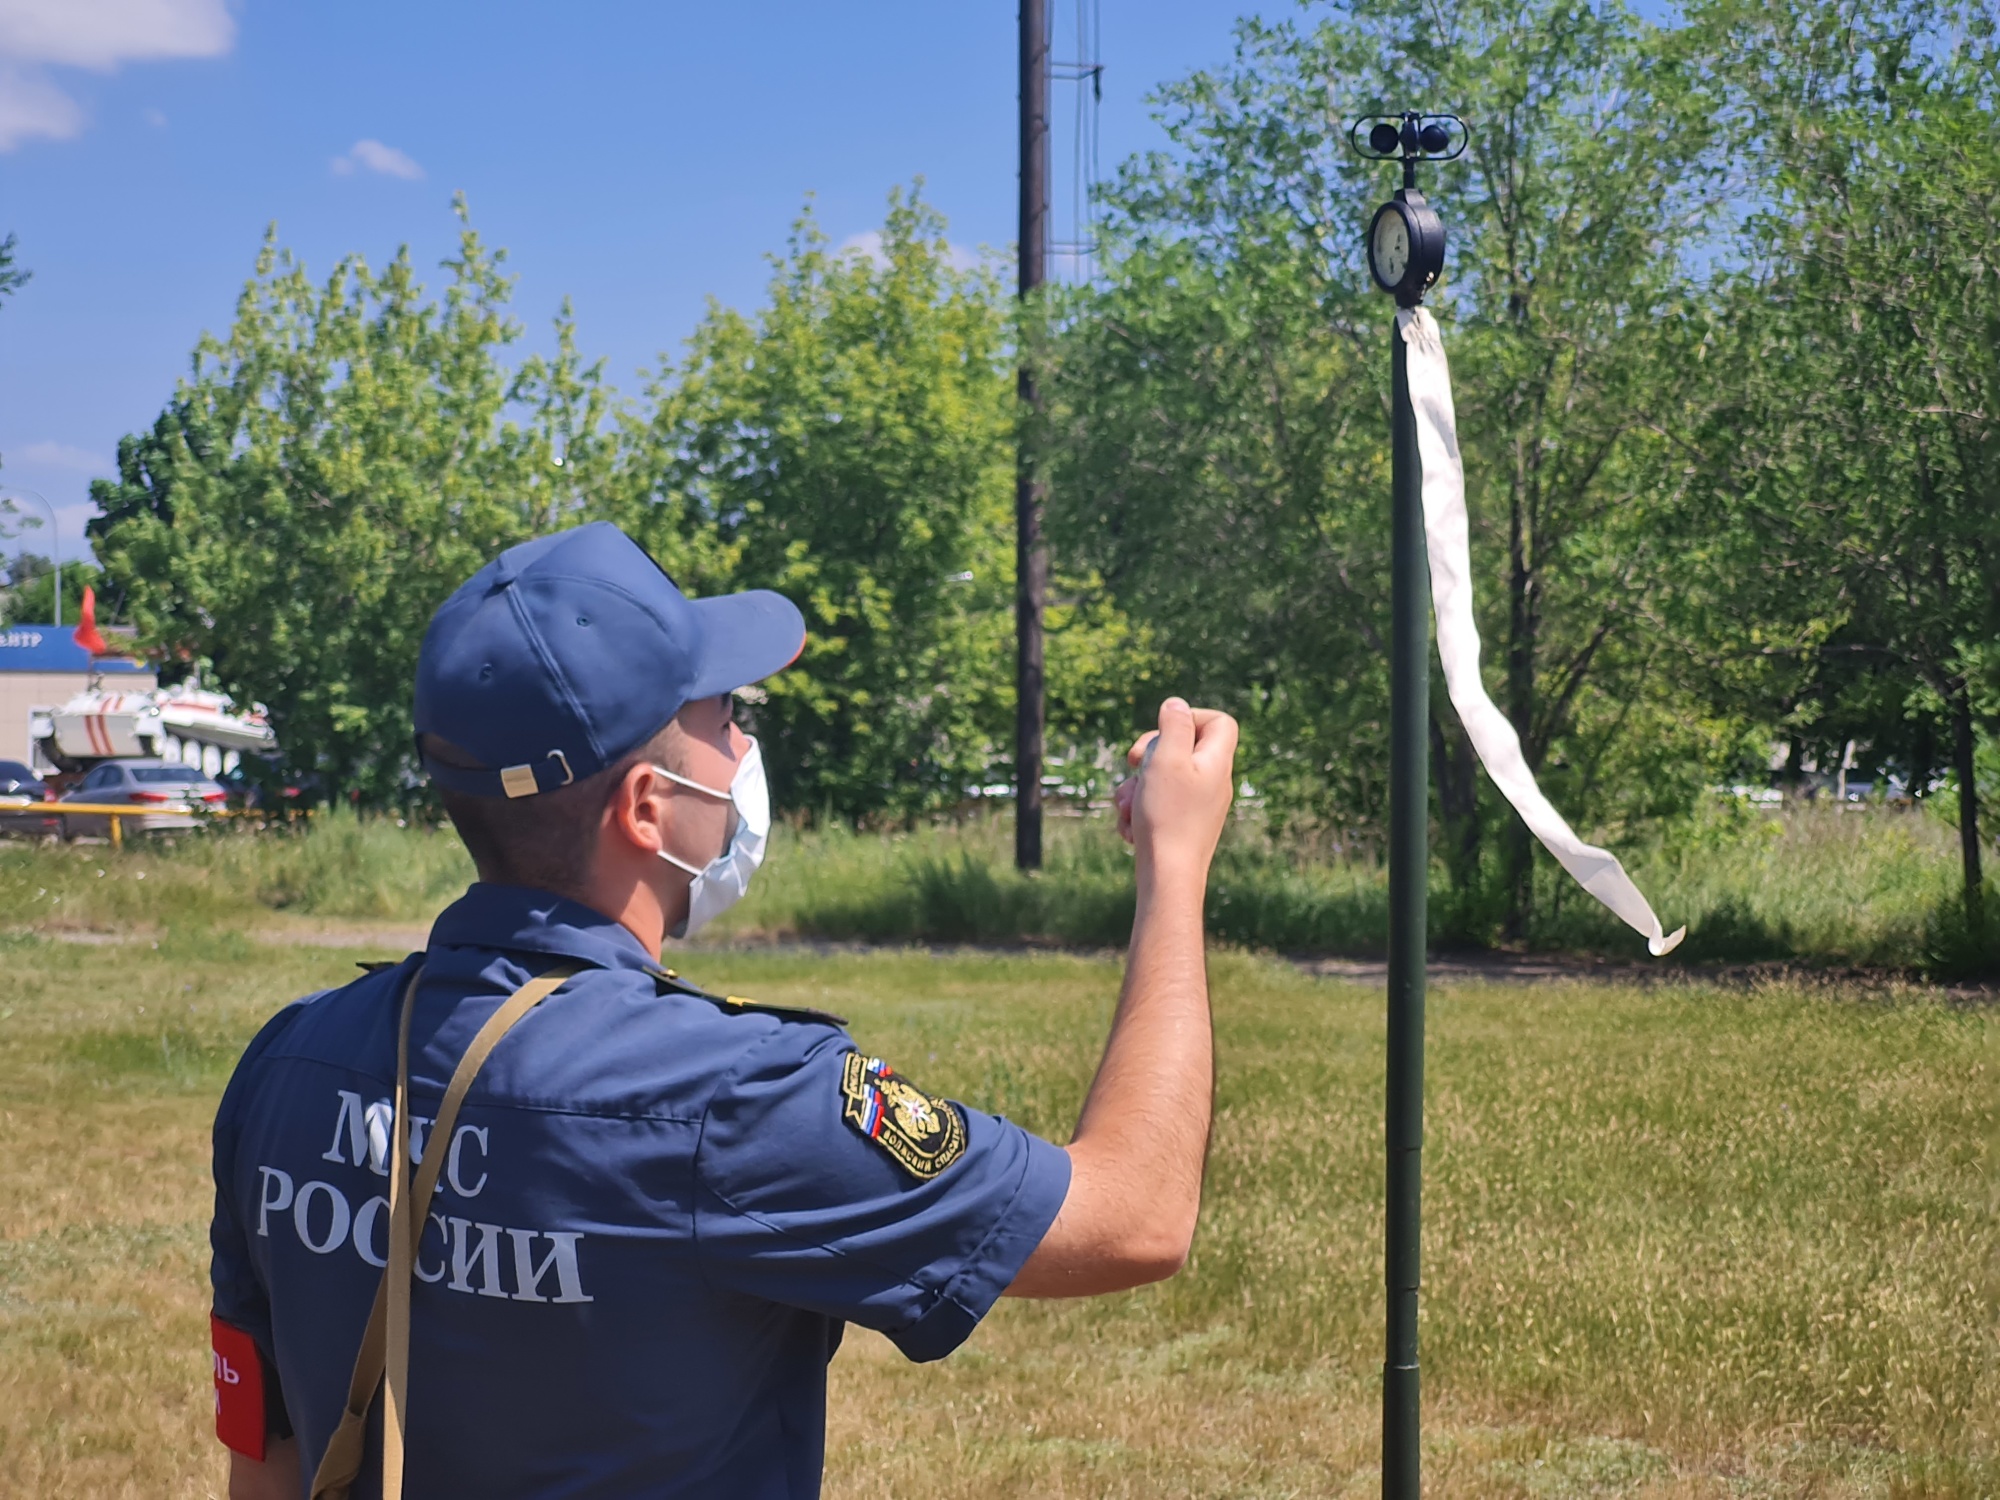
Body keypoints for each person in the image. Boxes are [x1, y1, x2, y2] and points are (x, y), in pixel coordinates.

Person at [209, 521, 1238, 1499]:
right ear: (646, 807)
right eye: (726, 718)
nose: (743, 748)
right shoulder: (736, 1099)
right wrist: (1173, 863)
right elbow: (1133, 1216)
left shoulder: (289, 1064)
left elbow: (263, 1453)